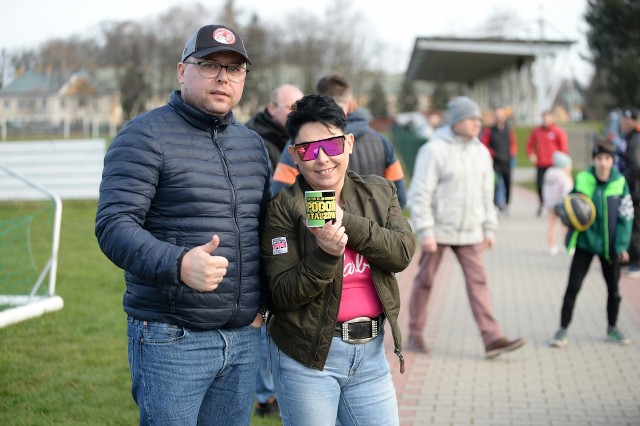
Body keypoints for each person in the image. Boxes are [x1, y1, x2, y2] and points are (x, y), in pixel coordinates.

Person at [95, 24, 271, 425]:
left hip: (243, 338)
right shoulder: (144, 136)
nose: (223, 77)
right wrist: (179, 264)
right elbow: (113, 225)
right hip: (172, 338)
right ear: (181, 70)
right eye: (209, 65)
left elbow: (261, 229)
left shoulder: (251, 144)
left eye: (235, 69)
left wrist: (261, 307)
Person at [260, 94, 415, 425]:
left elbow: (402, 252)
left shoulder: (380, 191)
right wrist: (325, 256)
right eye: (308, 150)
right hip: (307, 358)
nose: (321, 159)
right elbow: (282, 293)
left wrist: (345, 220)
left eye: (330, 145)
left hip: (371, 354)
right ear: (294, 155)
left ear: (348, 143)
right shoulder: (284, 208)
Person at [406, 96, 525, 358]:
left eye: (478, 120)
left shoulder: (481, 152)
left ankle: (492, 337)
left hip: (471, 231)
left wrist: (489, 229)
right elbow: (420, 193)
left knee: (479, 282)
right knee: (425, 280)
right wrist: (425, 230)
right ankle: (415, 332)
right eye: (471, 119)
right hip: (438, 231)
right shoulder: (434, 150)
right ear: (457, 121)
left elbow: (487, 194)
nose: (477, 124)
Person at [245, 83, 303, 418]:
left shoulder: (295, 137)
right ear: (272, 108)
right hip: (265, 240)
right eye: (290, 107)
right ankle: (265, 395)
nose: (295, 113)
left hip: (290, 239)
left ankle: (275, 389)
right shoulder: (255, 141)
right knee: (263, 323)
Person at [271, 74, 408, 207]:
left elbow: (279, 197)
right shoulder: (382, 142)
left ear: (349, 142)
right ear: (352, 104)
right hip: (372, 226)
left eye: (333, 145)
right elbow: (399, 198)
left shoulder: (301, 145)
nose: (323, 159)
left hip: (314, 226)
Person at [549, 138, 633, 348]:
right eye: (599, 159)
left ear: (612, 161)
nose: (603, 163)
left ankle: (612, 328)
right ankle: (562, 329)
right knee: (573, 287)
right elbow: (569, 203)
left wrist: (621, 246)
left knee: (614, 290)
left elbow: (626, 217)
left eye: (607, 159)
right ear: (594, 160)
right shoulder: (583, 179)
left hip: (609, 246)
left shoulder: (620, 184)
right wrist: (563, 211)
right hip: (586, 243)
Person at [246, 84, 304, 174]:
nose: (299, 114)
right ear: (272, 108)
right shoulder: (254, 143)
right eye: (292, 107)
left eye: (302, 108)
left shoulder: (296, 135)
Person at [526, 110, 569, 216]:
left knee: (555, 186)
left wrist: (562, 162)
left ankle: (557, 205)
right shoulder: (537, 131)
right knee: (539, 184)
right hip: (541, 163)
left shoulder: (558, 131)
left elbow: (563, 148)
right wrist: (531, 154)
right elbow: (530, 144)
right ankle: (542, 202)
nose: (546, 120)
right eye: (544, 118)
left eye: (548, 118)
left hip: (554, 165)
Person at [480, 106, 518, 214]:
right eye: (497, 115)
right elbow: (484, 144)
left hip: (506, 160)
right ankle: (495, 205)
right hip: (494, 161)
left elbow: (513, 143)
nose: (499, 117)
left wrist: (512, 155)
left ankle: (506, 204)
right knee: (494, 184)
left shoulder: (508, 129)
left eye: (501, 115)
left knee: (507, 183)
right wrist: (491, 154)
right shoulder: (489, 130)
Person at [619, 107, 640, 276]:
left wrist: (621, 182)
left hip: (636, 190)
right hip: (633, 188)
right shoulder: (629, 138)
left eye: (624, 121)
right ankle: (632, 259)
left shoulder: (636, 139)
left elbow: (635, 166)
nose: (621, 124)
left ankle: (637, 262)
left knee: (636, 227)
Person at [542, 151, 574, 255]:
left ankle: (552, 247)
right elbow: (568, 192)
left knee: (551, 226)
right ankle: (568, 246)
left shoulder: (549, 173)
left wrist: (547, 201)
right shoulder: (564, 177)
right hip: (562, 205)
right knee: (565, 226)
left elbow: (544, 189)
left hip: (551, 204)